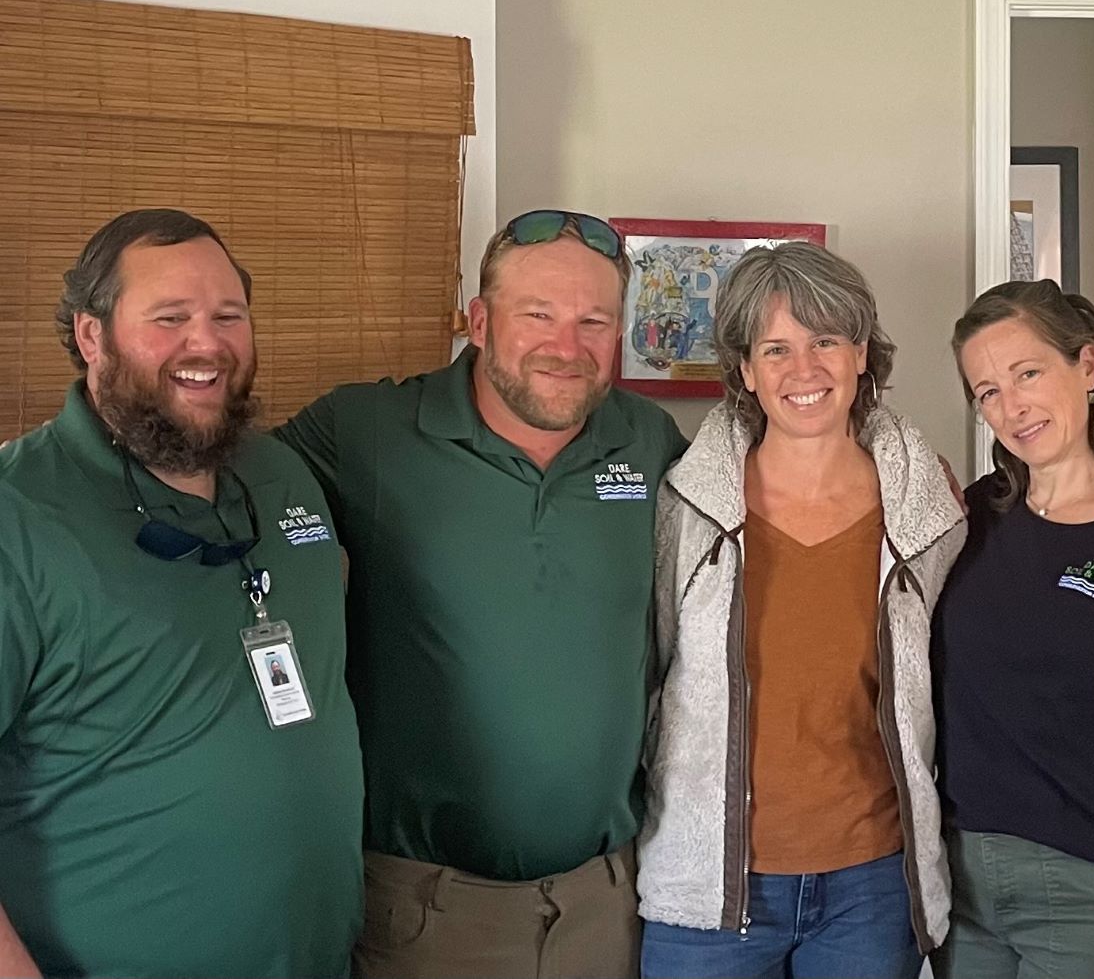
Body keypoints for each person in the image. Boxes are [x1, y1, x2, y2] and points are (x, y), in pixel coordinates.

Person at [273, 209, 689, 979]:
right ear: (478, 319)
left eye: (594, 320)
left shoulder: (648, 439)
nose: (567, 347)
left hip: (608, 908)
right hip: (426, 912)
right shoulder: (366, 430)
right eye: (538, 315)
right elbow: (209, 490)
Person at [0, 209, 364, 979]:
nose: (207, 344)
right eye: (170, 319)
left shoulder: (282, 474)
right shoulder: (17, 516)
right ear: (91, 335)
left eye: (228, 316)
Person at [638, 240, 966, 979]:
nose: (804, 370)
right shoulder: (687, 509)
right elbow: (649, 675)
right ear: (746, 371)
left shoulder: (929, 513)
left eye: (824, 341)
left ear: (860, 355)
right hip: (710, 890)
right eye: (776, 348)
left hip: (871, 883)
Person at [931, 279, 1094, 979]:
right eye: (987, 390)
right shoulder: (973, 516)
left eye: (1027, 373)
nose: (1010, 405)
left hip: (1090, 892)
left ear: (1086, 367)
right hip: (957, 883)